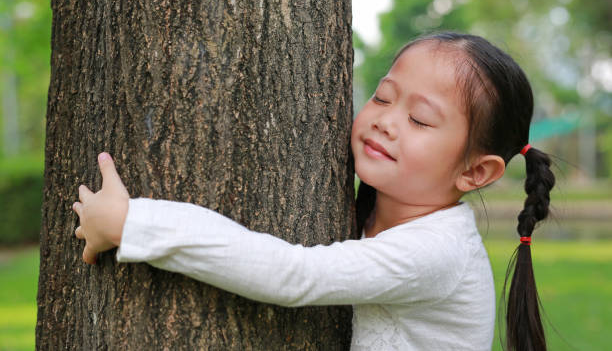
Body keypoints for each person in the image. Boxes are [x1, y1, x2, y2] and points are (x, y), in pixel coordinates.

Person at [72, 32, 555, 351]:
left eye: (419, 119)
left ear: (475, 173)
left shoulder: (436, 251)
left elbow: (293, 275)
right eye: (383, 96)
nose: (385, 121)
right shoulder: (379, 211)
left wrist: (131, 222)